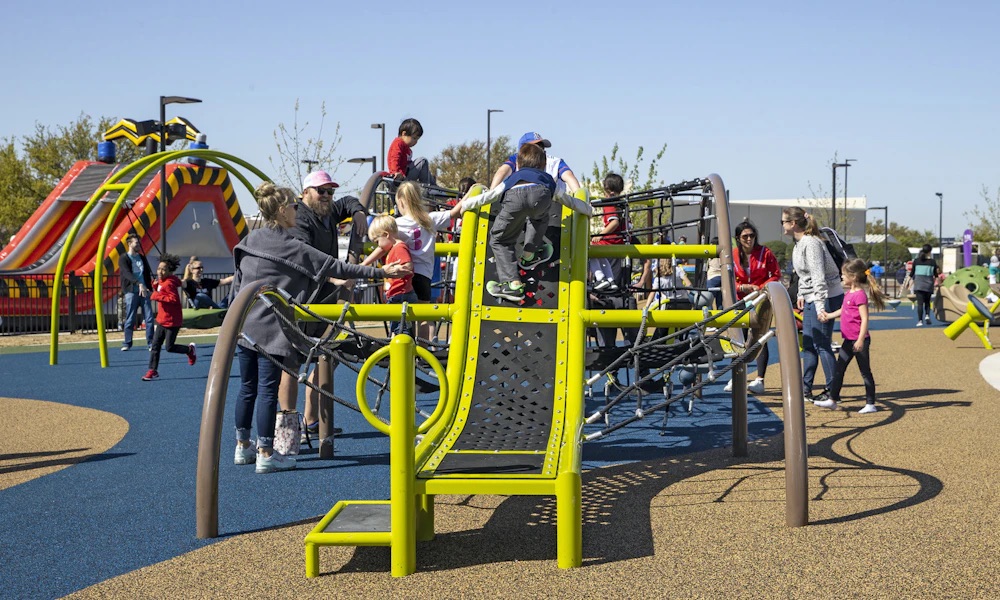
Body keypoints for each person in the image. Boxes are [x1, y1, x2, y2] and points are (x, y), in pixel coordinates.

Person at [230, 182, 411, 473]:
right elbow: (339, 268)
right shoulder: (293, 247)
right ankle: (265, 451)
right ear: (282, 211)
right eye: (293, 206)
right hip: (272, 329)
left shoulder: (249, 240)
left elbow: (239, 281)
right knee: (267, 390)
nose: (296, 210)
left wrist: (233, 319)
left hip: (244, 324)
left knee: (247, 388)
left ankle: (242, 446)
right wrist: (381, 272)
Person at [288, 170, 370, 435]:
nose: (326, 196)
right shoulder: (300, 218)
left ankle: (311, 420)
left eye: (330, 191)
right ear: (305, 192)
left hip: (326, 297)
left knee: (327, 357)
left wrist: (358, 212)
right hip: (305, 300)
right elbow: (303, 257)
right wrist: (335, 279)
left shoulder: (327, 211)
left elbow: (348, 201)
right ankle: (287, 427)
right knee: (293, 362)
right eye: (321, 191)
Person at [464, 142, 592, 303]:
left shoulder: (514, 177)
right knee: (540, 217)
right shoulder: (547, 179)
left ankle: (512, 284)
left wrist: (466, 205)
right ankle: (529, 253)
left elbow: (491, 196)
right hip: (541, 195)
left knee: (499, 240)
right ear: (544, 165)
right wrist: (588, 210)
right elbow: (569, 201)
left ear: (518, 164)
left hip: (514, 199)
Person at [363, 182, 464, 325]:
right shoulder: (429, 219)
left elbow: (383, 248)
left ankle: (405, 336)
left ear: (401, 203)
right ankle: (424, 339)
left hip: (404, 275)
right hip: (424, 275)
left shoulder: (397, 224)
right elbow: (455, 212)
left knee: (404, 314)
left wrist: (364, 264)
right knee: (424, 317)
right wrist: (469, 195)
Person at [783, 207, 845, 401]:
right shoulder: (798, 244)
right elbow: (803, 276)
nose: (782, 225)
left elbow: (819, 277)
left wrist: (820, 307)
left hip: (826, 296)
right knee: (809, 342)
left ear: (793, 223)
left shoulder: (811, 243)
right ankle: (805, 387)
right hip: (813, 297)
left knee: (821, 343)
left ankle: (832, 390)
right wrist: (801, 293)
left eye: (783, 221)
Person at [815, 258, 887, 412]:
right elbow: (843, 310)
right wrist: (829, 315)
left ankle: (870, 404)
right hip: (848, 340)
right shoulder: (848, 293)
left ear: (853, 277)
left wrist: (860, 340)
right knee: (839, 369)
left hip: (859, 341)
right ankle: (832, 399)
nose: (841, 277)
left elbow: (865, 318)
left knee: (865, 371)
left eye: (844, 274)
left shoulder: (860, 295)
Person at [728, 220, 781, 395]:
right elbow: (727, 280)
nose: (749, 239)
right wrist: (742, 287)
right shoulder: (733, 255)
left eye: (752, 235)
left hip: (761, 299)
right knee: (739, 338)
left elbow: (776, 275)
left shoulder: (765, 253)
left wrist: (762, 288)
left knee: (760, 336)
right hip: (741, 299)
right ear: (738, 238)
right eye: (745, 236)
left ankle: (759, 379)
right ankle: (737, 375)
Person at [142, 254, 197, 381]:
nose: (160, 272)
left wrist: (156, 295)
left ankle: (189, 350)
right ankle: (152, 370)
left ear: (169, 271)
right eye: (158, 268)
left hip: (172, 321)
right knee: (155, 346)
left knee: (169, 347)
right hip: (162, 320)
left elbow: (173, 299)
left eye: (163, 269)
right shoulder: (164, 281)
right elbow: (162, 289)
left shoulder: (169, 283)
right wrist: (155, 287)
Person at [368, 215, 416, 334]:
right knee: (397, 326)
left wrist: (398, 269)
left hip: (401, 294)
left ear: (386, 235)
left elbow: (408, 265)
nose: (378, 246)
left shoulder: (399, 248)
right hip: (397, 294)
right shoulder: (393, 249)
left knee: (401, 327)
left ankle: (402, 343)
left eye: (377, 241)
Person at [590, 173, 627, 292]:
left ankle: (600, 277)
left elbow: (614, 222)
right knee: (601, 256)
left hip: (611, 240)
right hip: (620, 240)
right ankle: (611, 280)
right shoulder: (620, 203)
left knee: (589, 250)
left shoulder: (609, 203)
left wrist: (600, 235)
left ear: (607, 190)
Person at [118, 233, 155, 351]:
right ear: (129, 244)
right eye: (136, 242)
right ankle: (127, 343)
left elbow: (147, 274)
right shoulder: (124, 258)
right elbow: (126, 273)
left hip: (144, 292)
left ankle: (151, 343)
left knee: (149, 318)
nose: (139, 244)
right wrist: (138, 284)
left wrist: (149, 288)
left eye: (139, 242)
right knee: (130, 317)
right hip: (131, 291)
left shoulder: (142, 258)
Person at [387, 118, 435, 184]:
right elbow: (394, 158)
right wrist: (395, 172)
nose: (416, 142)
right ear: (404, 134)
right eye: (414, 138)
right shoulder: (398, 143)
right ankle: (427, 187)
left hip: (406, 173)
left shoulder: (406, 148)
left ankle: (434, 185)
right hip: (401, 176)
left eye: (417, 139)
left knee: (424, 168)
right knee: (422, 161)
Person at [911, 243, 939, 326]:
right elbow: (936, 275)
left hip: (919, 285)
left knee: (920, 304)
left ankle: (920, 321)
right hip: (928, 285)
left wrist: (908, 283)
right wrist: (938, 284)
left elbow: (912, 273)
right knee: (927, 302)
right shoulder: (932, 262)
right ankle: (927, 315)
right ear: (930, 252)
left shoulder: (916, 261)